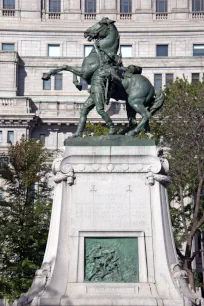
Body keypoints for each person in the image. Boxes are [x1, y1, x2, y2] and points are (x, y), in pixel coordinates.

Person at [72, 44, 121, 137]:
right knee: (83, 110)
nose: (102, 58)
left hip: (99, 91)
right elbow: (84, 72)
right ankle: (79, 133)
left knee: (100, 110)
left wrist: (112, 77)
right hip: (93, 91)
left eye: (105, 57)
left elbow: (118, 80)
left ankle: (112, 127)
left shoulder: (109, 70)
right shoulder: (97, 68)